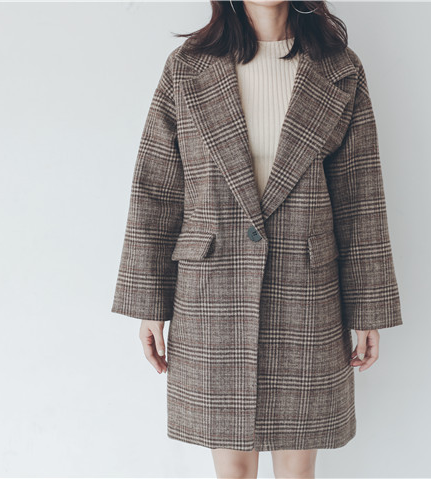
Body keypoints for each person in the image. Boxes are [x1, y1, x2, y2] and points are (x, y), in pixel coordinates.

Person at [111, 1, 403, 477]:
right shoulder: (189, 67)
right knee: (234, 472)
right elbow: (157, 189)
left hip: (306, 294)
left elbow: (360, 194)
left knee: (296, 471)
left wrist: (368, 309)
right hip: (211, 294)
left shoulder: (338, 68)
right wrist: (150, 305)